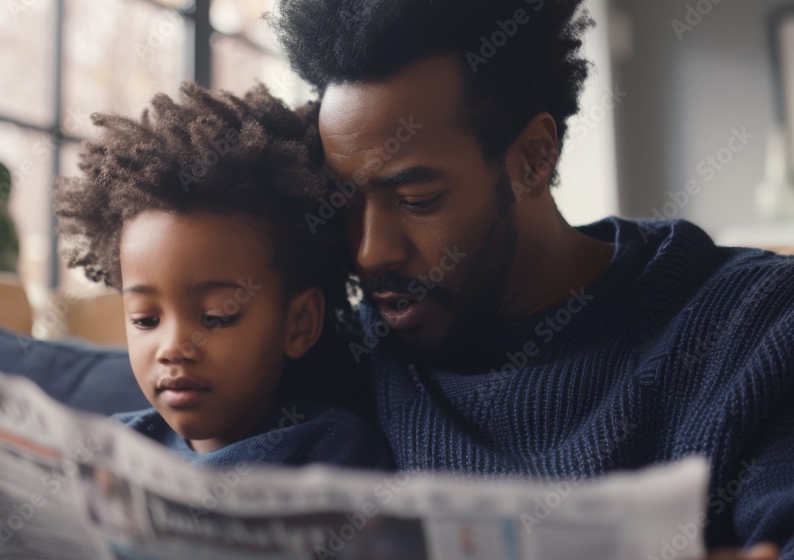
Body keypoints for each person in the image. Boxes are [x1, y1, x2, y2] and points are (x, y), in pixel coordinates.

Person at [263, 0, 793, 557]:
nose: (370, 253)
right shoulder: (336, 353)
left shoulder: (753, 327)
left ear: (534, 158)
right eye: (344, 205)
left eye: (418, 201)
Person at [52, 82, 392, 469]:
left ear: (299, 324)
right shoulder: (116, 449)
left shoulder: (330, 450)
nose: (174, 348)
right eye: (146, 319)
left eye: (216, 316)